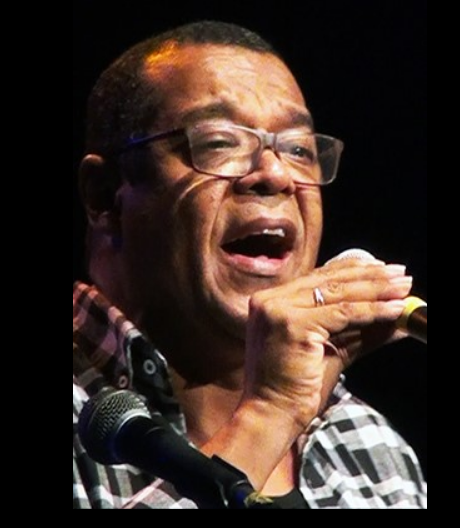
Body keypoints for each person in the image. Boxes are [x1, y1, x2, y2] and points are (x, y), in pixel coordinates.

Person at [73, 20, 427, 509]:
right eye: (219, 141)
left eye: (299, 149)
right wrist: (269, 414)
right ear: (104, 196)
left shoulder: (371, 447)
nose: (275, 174)